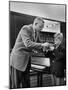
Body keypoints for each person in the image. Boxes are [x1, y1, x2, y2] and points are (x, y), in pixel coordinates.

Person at [10, 17, 50, 89]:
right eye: (40, 27)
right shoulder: (26, 28)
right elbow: (28, 44)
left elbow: (39, 44)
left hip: (26, 60)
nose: (41, 29)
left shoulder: (37, 33)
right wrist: (42, 45)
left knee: (26, 83)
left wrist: (46, 48)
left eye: (42, 27)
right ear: (35, 24)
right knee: (16, 84)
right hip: (18, 60)